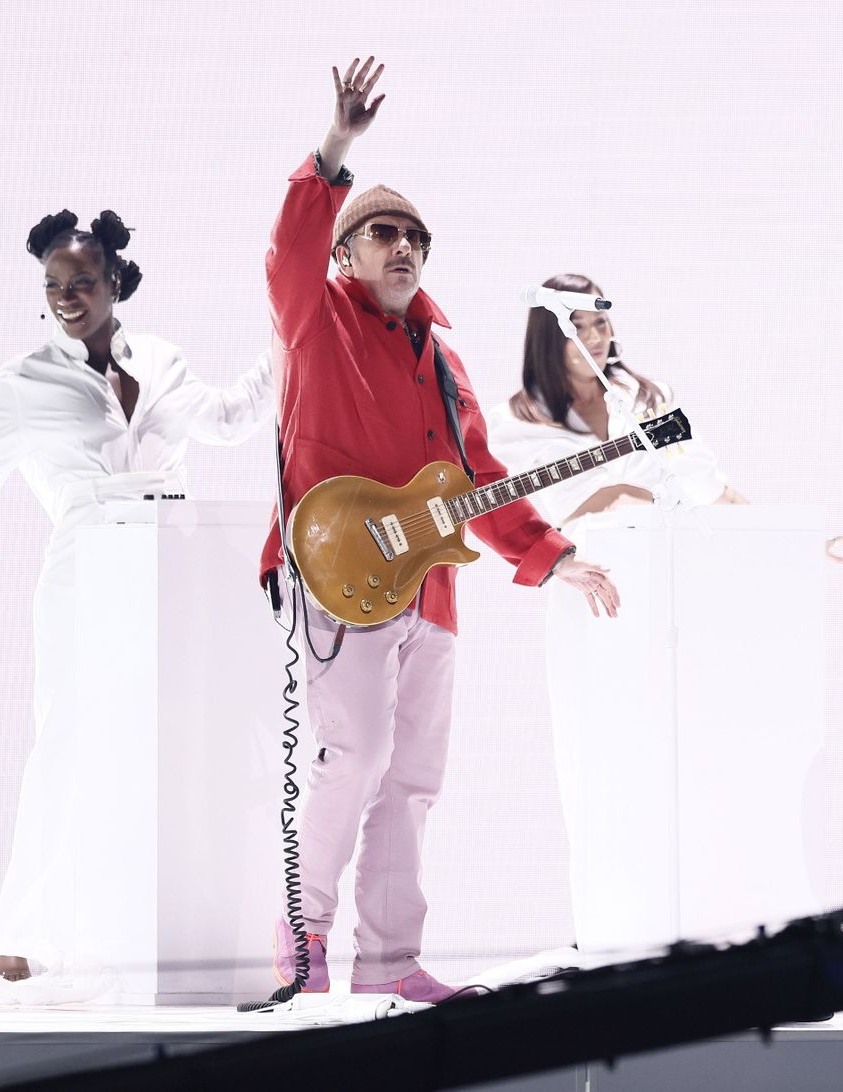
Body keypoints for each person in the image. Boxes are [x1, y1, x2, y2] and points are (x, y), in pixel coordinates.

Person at [261, 59, 620, 1003]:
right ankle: (302, 942)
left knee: (413, 778)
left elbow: (482, 484)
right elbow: (286, 254)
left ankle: (390, 964)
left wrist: (557, 556)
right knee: (357, 757)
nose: (404, 246)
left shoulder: (447, 360)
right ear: (346, 253)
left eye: (417, 236)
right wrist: (336, 148)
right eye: (383, 233)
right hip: (341, 575)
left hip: (434, 592)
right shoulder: (315, 321)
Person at [0, 210, 274, 982]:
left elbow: (227, 420)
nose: (65, 297)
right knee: (67, 749)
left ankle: (150, 939)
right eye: (52, 286)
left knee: (174, 752)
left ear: (116, 281)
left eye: (81, 282)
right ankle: (24, 936)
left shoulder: (160, 359)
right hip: (86, 577)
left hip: (174, 575)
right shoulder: (23, 384)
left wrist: (290, 335)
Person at [486, 273, 746, 527]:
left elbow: (707, 482)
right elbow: (491, 511)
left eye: (600, 322)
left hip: (665, 554)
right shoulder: (512, 422)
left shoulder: (650, 398)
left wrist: (765, 535)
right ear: (547, 338)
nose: (594, 338)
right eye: (576, 326)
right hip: (581, 563)